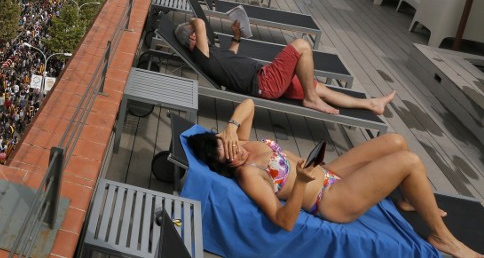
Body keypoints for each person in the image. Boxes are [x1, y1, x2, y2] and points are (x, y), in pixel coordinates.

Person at [186, 98, 482, 257]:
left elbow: (249, 104)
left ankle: (408, 200)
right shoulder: (248, 174)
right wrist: (300, 183)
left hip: (328, 173)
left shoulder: (242, 144)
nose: (236, 154)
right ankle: (443, 238)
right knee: (410, 161)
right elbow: (283, 221)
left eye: (231, 146)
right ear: (226, 167)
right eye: (229, 159)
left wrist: (231, 126)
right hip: (330, 200)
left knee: (395, 142)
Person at [174, 17, 395, 115]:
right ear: (192, 39)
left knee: (317, 87)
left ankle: (371, 104)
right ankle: (310, 99)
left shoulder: (209, 54)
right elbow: (200, 23)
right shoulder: (201, 57)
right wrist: (192, 23)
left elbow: (229, 58)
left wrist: (236, 38)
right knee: (302, 45)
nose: (198, 33)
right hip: (264, 82)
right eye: (194, 34)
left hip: (264, 76)